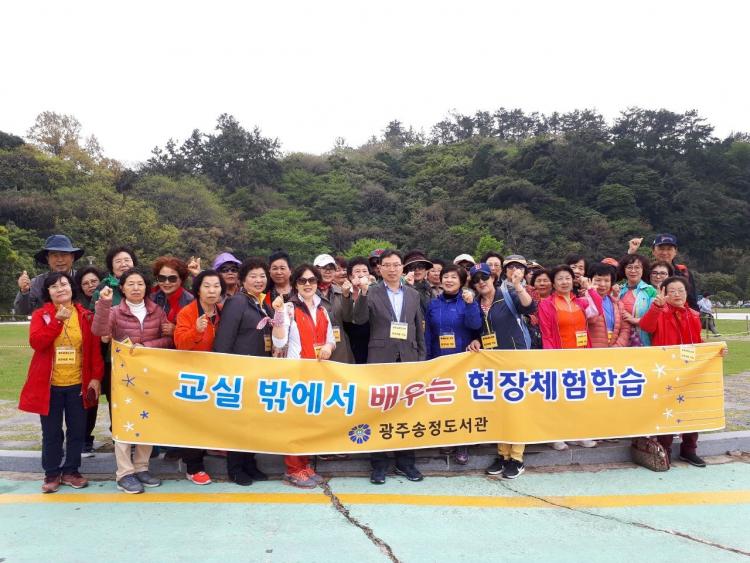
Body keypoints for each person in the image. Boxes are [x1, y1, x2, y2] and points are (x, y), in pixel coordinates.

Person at [19, 272, 104, 493]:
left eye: (64, 284)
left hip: (77, 384)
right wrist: (58, 321)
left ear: (71, 288)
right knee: (51, 433)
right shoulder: (41, 315)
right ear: (48, 292)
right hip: (50, 386)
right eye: (54, 286)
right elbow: (37, 343)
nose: (60, 289)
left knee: (77, 431)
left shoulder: (85, 315)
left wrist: (96, 378)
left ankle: (71, 471)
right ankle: (51, 473)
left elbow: (94, 351)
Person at [91, 269, 172, 494]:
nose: (136, 288)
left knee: (147, 421)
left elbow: (168, 339)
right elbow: (99, 331)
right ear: (122, 288)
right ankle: (124, 473)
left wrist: (146, 347)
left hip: (150, 376)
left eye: (140, 284)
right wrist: (103, 304)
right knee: (124, 422)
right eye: (130, 284)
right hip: (124, 377)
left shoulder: (157, 311)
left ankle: (142, 467)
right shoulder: (115, 312)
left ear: (146, 287)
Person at [352, 250, 426, 484]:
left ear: (402, 267)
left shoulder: (413, 294)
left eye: (396, 265)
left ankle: (406, 463)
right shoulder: (372, 292)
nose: (392, 269)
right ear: (380, 269)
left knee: (407, 411)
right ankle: (379, 465)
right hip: (380, 358)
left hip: (408, 358)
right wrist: (362, 294)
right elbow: (359, 319)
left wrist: (421, 358)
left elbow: (418, 327)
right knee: (379, 412)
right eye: (387, 265)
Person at [639, 277, 726, 467]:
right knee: (667, 410)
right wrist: (657, 307)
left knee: (692, 409)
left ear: (687, 293)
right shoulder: (659, 312)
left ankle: (689, 450)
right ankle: (665, 450)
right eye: (672, 291)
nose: (677, 294)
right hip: (666, 371)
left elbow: (697, 342)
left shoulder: (693, 315)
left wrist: (715, 352)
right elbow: (646, 326)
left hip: (690, 371)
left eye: (681, 290)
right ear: (663, 293)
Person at [467, 262, 536, 478]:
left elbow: (529, 307)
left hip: (515, 360)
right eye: (476, 280)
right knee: (499, 410)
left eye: (484, 277)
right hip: (491, 363)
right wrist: (476, 340)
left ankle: (517, 458)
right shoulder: (476, 303)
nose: (481, 282)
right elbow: (478, 329)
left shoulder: (507, 295)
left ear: (493, 278)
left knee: (516, 410)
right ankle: (503, 455)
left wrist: (519, 285)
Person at [271, 264, 335, 487]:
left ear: (318, 283)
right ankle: (293, 469)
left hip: (317, 373)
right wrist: (278, 314)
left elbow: (331, 338)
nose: (307, 284)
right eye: (302, 281)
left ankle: (305, 464)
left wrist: (328, 347)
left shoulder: (322, 309)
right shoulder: (288, 308)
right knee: (295, 423)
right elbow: (279, 341)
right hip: (295, 375)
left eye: (312, 280)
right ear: (295, 284)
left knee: (310, 422)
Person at [212, 258, 274, 486]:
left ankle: (250, 463)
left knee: (254, 421)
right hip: (239, 372)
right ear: (243, 280)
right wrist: (226, 370)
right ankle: (236, 468)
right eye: (253, 276)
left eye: (262, 276)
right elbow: (224, 339)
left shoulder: (263, 303)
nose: (259, 280)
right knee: (238, 422)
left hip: (259, 372)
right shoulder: (237, 302)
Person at [538, 265, 602, 450]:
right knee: (559, 398)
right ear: (553, 283)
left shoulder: (581, 302)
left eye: (567, 278)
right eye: (559, 278)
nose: (564, 282)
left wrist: (590, 289)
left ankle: (579, 433)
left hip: (581, 356)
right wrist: (552, 358)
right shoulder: (546, 304)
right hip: (559, 356)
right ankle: (555, 435)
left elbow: (596, 311)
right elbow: (546, 333)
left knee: (578, 396)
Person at [424, 264, 481, 465]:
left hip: (462, 359)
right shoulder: (433, 304)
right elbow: (428, 333)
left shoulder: (468, 301)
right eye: (446, 276)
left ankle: (462, 443)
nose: (448, 280)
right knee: (444, 400)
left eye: (453, 277)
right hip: (439, 359)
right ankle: (447, 436)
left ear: (462, 281)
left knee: (462, 402)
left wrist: (471, 304)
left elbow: (475, 326)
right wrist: (428, 359)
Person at [173, 270, 227, 485]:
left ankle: (211, 449)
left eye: (216, 286)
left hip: (218, 375)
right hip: (194, 375)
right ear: (198, 290)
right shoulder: (187, 313)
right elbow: (180, 343)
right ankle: (193, 467)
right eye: (207, 286)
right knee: (193, 421)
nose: (212, 291)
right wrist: (196, 330)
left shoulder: (223, 311)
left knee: (211, 418)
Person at [73, 266, 103, 456]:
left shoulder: (110, 297)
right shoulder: (78, 306)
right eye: (85, 283)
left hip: (110, 355)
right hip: (88, 356)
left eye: (94, 281)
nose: (90, 285)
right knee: (88, 399)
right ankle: (84, 438)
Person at [15, 234, 84, 315]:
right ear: (47, 259)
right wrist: (24, 291)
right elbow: (22, 312)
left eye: (64, 254)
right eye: (55, 255)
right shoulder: (37, 283)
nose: (60, 259)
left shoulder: (83, 280)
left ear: (72, 257)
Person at [628, 234, 700, 310]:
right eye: (661, 249)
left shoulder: (683, 272)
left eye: (669, 249)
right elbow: (624, 274)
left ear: (675, 251)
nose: (665, 253)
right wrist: (631, 252)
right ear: (653, 251)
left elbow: (692, 301)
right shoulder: (645, 271)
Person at [314, 254, 354, 363]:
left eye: (331, 268)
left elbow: (348, 318)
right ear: (315, 270)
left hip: (341, 348)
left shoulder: (341, 291)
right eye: (324, 268)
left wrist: (346, 296)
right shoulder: (309, 292)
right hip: (318, 347)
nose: (328, 271)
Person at [617, 254, 657, 347]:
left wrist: (635, 320)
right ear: (624, 270)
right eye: (629, 267)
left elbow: (655, 319)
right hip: (620, 341)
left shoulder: (650, 291)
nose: (633, 271)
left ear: (643, 270)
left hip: (644, 340)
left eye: (637, 267)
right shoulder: (618, 291)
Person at [587, 263, 630, 347]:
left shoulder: (618, 304)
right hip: (592, 351)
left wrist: (618, 346)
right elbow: (591, 320)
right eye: (598, 280)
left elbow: (625, 328)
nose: (602, 284)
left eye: (606, 281)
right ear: (590, 281)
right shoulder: (584, 301)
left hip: (613, 351)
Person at [151, 256, 194, 335]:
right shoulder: (152, 297)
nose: (166, 282)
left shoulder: (190, 301)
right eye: (162, 278)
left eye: (172, 278)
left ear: (181, 279)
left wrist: (176, 330)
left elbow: (195, 331)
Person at [343, 257, 372, 365]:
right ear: (350, 276)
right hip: (349, 340)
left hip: (369, 339)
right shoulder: (344, 291)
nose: (361, 274)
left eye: (364, 271)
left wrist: (364, 291)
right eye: (357, 271)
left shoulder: (374, 292)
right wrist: (346, 295)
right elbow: (345, 316)